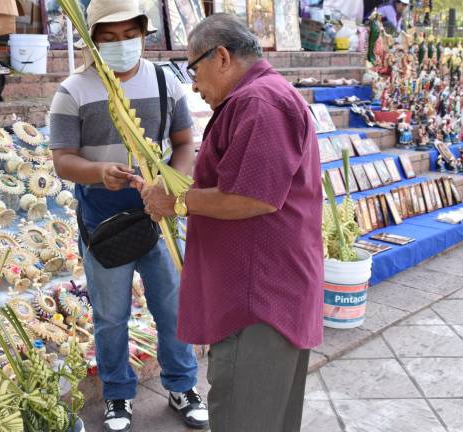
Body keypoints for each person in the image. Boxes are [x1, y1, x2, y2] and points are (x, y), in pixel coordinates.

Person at [139, 13, 324, 432]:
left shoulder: (260, 102)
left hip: (258, 301)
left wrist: (176, 202)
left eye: (194, 68)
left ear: (221, 57)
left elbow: (251, 196)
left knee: (247, 415)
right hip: (262, 292)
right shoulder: (259, 97)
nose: (195, 84)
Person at [48, 1, 208, 431]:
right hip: (102, 220)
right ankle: (118, 395)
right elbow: (62, 160)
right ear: (93, 40)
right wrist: (99, 172)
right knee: (111, 315)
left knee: (173, 308)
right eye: (109, 37)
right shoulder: (74, 90)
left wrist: (171, 186)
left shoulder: (164, 82)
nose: (121, 45)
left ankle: (182, 384)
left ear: (143, 34)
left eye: (128, 35)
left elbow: (184, 143)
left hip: (160, 219)